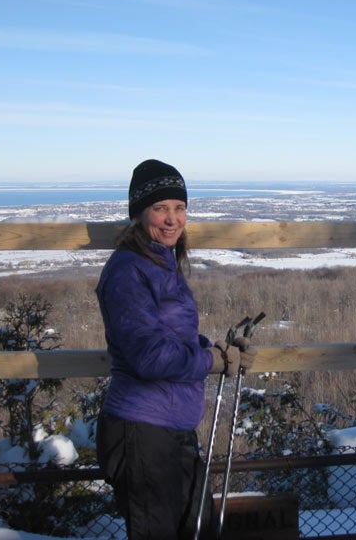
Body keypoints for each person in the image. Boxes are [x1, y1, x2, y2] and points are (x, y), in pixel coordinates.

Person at [95, 159, 256, 540]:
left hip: (169, 430)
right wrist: (211, 361)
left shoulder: (161, 263)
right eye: (160, 208)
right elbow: (148, 356)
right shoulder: (128, 271)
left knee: (200, 531)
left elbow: (169, 339)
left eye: (179, 207)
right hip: (142, 431)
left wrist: (212, 348)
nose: (172, 219)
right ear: (139, 214)